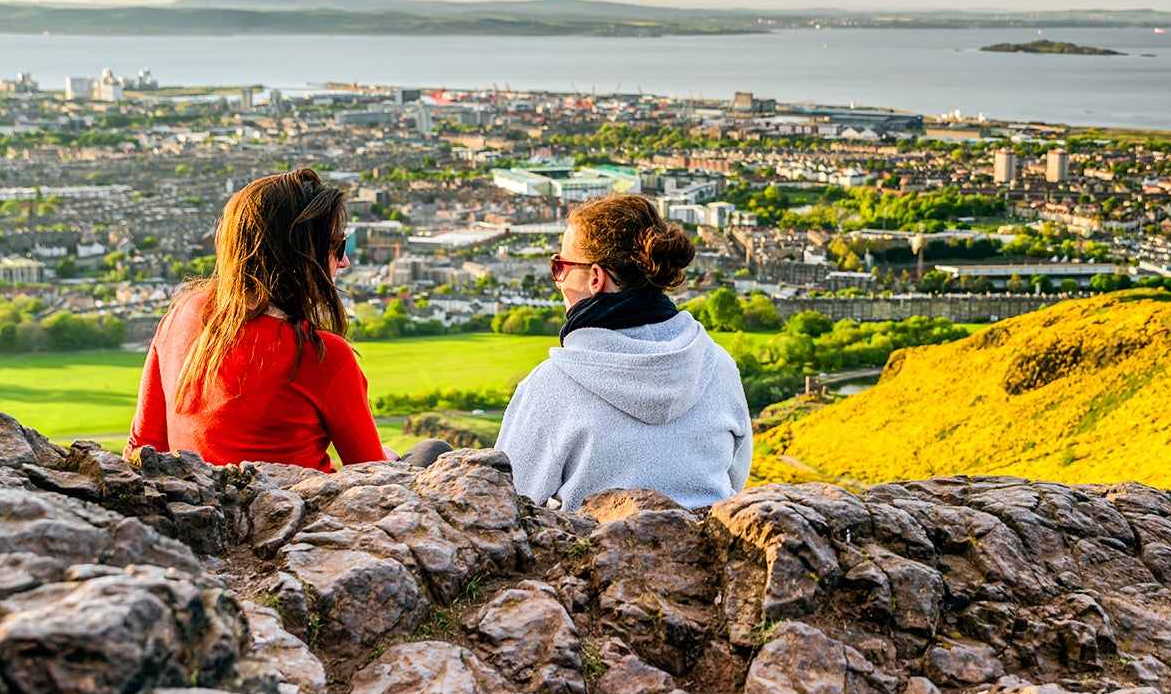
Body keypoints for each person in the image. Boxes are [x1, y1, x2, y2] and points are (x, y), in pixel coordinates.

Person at [126, 167, 449, 472]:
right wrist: (384, 456)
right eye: (336, 246)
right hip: (295, 514)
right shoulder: (321, 354)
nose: (345, 261)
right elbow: (371, 474)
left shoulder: (181, 315)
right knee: (432, 452)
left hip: (203, 506)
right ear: (299, 254)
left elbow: (143, 448)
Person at [496, 194, 751, 511]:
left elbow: (510, 501)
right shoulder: (719, 366)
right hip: (704, 548)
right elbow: (735, 479)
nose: (558, 280)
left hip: (600, 554)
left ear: (595, 278)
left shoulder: (551, 385)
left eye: (559, 266)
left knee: (429, 453)